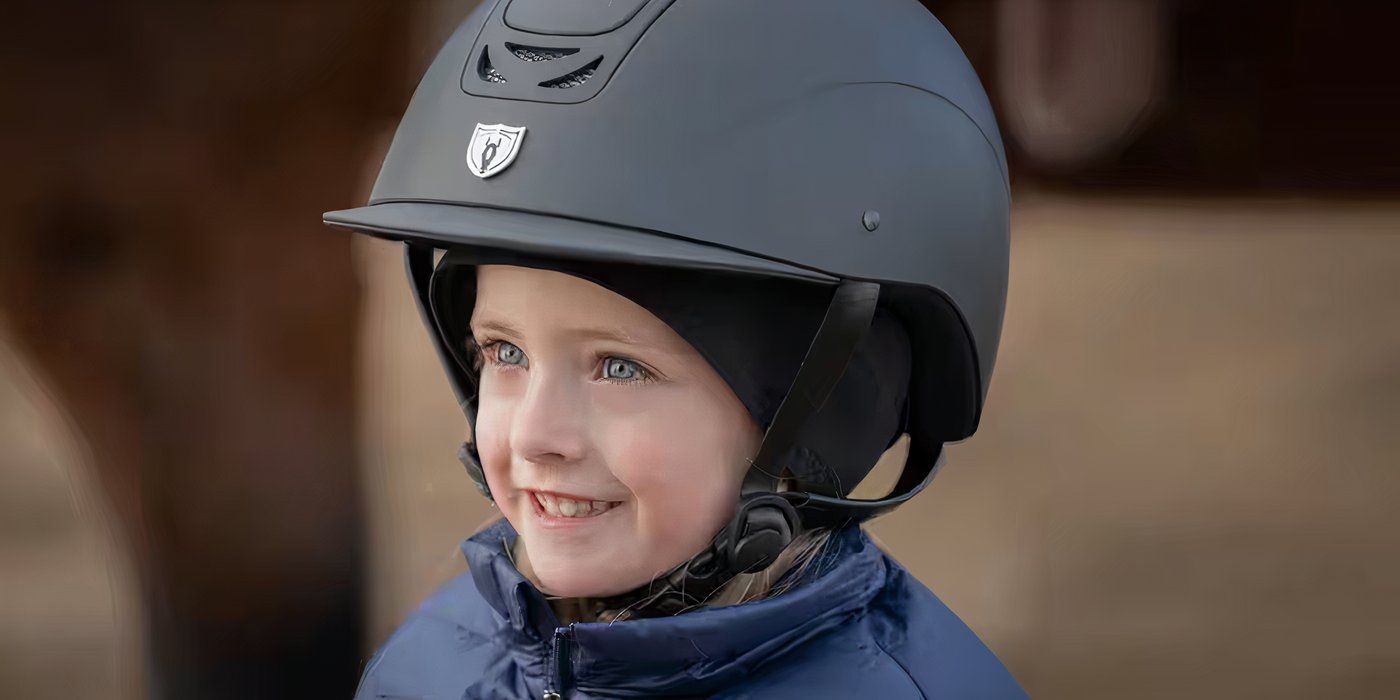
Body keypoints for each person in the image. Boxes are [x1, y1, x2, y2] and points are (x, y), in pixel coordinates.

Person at [325, 0, 1023, 696]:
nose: (536, 435)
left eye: (619, 368)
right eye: (505, 353)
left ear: (821, 416)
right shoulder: (429, 668)